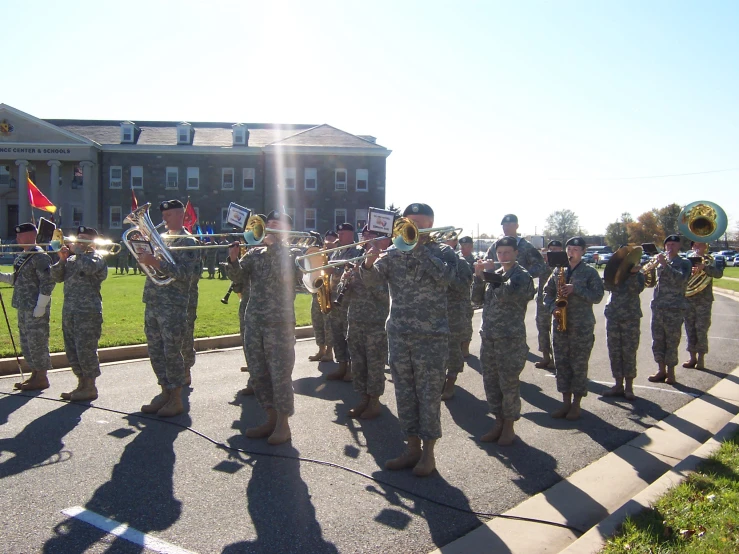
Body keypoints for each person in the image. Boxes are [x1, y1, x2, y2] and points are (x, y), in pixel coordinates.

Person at [361, 202, 457, 477]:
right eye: (410, 221)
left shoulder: (443, 252)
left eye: (420, 222)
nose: (414, 226)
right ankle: (411, 448)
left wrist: (419, 250)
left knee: (428, 396)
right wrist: (369, 262)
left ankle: (428, 454)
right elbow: (372, 281)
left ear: (431, 224)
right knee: (404, 393)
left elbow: (444, 278)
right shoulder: (393, 253)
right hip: (399, 333)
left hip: (432, 336)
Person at [226, 211, 303, 445]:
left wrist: (275, 248)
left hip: (279, 323)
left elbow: (289, 277)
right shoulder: (255, 254)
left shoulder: (294, 254)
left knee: (280, 375)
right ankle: (270, 418)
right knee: (258, 374)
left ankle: (283, 424)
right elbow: (237, 278)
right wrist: (232, 259)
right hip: (254, 321)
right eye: (268, 224)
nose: (269, 228)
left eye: (276, 225)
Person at [137, 200, 200, 417]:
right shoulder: (160, 239)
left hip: (173, 304)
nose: (164, 220)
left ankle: (176, 398)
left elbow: (186, 274)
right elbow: (152, 267)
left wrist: (156, 263)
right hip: (153, 300)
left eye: (169, 216)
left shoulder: (188, 242)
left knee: (172, 352)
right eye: (163, 215)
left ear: (181, 215)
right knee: (156, 350)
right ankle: (164, 391)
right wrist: (145, 260)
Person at [472, 236, 535, 445]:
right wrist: (479, 277)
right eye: (500, 253)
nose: (503, 256)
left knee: (508, 384)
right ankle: (498, 422)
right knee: (491, 383)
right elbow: (476, 300)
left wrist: (490, 277)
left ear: (516, 253)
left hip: (510, 339)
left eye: (507, 252)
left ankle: (509, 426)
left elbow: (506, 295)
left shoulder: (521, 276)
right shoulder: (496, 274)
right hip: (489, 337)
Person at [543, 237, 604, 420]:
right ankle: (565, 403)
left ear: (583, 251)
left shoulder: (590, 272)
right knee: (561, 365)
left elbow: (598, 296)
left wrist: (575, 289)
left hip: (581, 325)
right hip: (560, 324)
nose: (571, 252)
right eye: (569, 249)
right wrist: (552, 308)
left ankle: (577, 404)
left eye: (576, 249)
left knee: (578, 365)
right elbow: (547, 293)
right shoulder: (558, 270)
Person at [50, 226, 108, 401]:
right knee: (72, 349)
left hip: (88, 312)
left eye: (83, 238)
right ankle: (81, 384)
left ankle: (90, 386)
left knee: (85, 349)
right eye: (78, 237)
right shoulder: (73, 259)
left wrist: (78, 252)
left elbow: (90, 269)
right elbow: (56, 277)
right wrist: (62, 260)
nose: (78, 241)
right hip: (70, 310)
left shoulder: (97, 257)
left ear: (91, 242)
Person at [0, 223, 55, 391]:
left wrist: (41, 305)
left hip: (34, 306)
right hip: (22, 305)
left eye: (21, 235)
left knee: (37, 341)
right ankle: (34, 374)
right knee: (27, 342)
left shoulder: (40, 256)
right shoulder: (23, 255)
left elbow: (48, 282)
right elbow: (16, 279)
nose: (17, 238)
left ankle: (41, 377)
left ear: (32, 235)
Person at [344, 226, 391, 419]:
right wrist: (345, 280)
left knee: (375, 364)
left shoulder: (388, 261)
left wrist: (368, 269)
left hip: (376, 322)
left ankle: (374, 402)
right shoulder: (357, 258)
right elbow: (346, 294)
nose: (368, 238)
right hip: (355, 319)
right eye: (366, 235)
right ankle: (363, 398)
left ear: (384, 239)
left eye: (373, 235)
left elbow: (384, 295)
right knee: (358, 364)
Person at [601, 249, 646, 400]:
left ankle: (629, 386)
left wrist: (632, 274)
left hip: (630, 317)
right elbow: (607, 286)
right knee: (614, 351)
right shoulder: (614, 274)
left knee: (629, 351)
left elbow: (636, 289)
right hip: (613, 315)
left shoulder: (638, 275)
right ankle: (618, 384)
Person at [647, 235, 692, 384]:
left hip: (674, 308)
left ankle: (671, 373)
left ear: (679, 247)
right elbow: (651, 282)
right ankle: (661, 370)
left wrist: (666, 266)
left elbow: (682, 280)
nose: (670, 247)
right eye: (668, 245)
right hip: (658, 307)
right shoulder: (659, 262)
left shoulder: (684, 263)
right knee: (658, 340)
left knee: (672, 341)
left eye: (673, 244)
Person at [325, 223, 363, 381]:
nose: (339, 236)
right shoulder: (336, 251)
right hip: (335, 298)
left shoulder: (358, 251)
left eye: (343, 233)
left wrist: (336, 270)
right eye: (339, 233)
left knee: (349, 335)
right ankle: (341, 365)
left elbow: (356, 271)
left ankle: (351, 369)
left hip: (349, 299)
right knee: (337, 333)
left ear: (351, 234)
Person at [441, 234, 474, 400]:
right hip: (435, 313)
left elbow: (464, 287)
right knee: (438, 350)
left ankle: (451, 382)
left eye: (448, 240)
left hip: (454, 314)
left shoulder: (461, 263)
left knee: (453, 349)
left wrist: (447, 275)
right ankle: (440, 380)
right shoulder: (434, 260)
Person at [683, 241, 723, 370]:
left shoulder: (711, 260)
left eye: (700, 245)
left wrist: (704, 268)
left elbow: (718, 274)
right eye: (695, 245)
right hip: (688, 299)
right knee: (690, 329)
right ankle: (692, 357)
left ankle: (701, 358)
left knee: (701, 329)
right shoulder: (686, 261)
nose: (697, 247)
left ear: (706, 247)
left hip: (704, 301)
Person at [308, 230, 337, 363]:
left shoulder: (337, 253)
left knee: (328, 324)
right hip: (317, 290)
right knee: (317, 321)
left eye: (331, 239)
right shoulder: (319, 253)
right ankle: (321, 350)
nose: (328, 241)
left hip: (330, 292)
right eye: (327, 238)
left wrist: (332, 248)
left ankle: (330, 352)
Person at [534, 240, 563, 369]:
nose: (553, 252)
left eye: (556, 249)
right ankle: (546, 357)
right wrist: (543, 260)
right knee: (542, 329)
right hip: (542, 301)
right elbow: (534, 272)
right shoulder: (542, 264)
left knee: (555, 331)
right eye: (551, 249)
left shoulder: (563, 265)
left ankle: (555, 360)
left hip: (557, 302)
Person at [458, 236, 476, 357]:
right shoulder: (454, 258)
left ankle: (465, 347)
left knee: (466, 323)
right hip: (453, 297)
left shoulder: (474, 261)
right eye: (462, 246)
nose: (464, 248)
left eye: (467, 246)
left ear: (471, 247)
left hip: (466, 297)